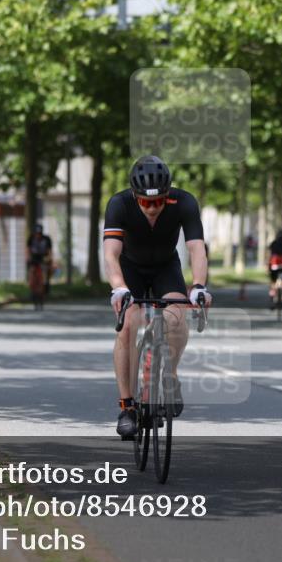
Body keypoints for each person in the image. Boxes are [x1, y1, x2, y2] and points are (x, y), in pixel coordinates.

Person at [105, 155, 210, 439]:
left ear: (167, 196)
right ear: (135, 196)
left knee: (176, 317)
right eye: (145, 202)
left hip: (166, 267)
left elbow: (197, 249)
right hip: (130, 270)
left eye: (158, 202)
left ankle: (171, 374)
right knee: (127, 326)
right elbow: (111, 254)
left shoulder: (184, 202)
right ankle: (127, 406)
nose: (152, 208)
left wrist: (199, 286)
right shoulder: (119, 204)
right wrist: (119, 286)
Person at [26, 223, 53, 294]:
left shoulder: (46, 239)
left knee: (45, 269)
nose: (38, 235)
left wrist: (49, 258)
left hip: (43, 257)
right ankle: (30, 283)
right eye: (36, 234)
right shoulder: (31, 238)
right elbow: (28, 250)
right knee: (31, 269)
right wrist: (28, 258)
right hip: (34, 257)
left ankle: (45, 284)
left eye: (39, 233)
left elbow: (50, 251)